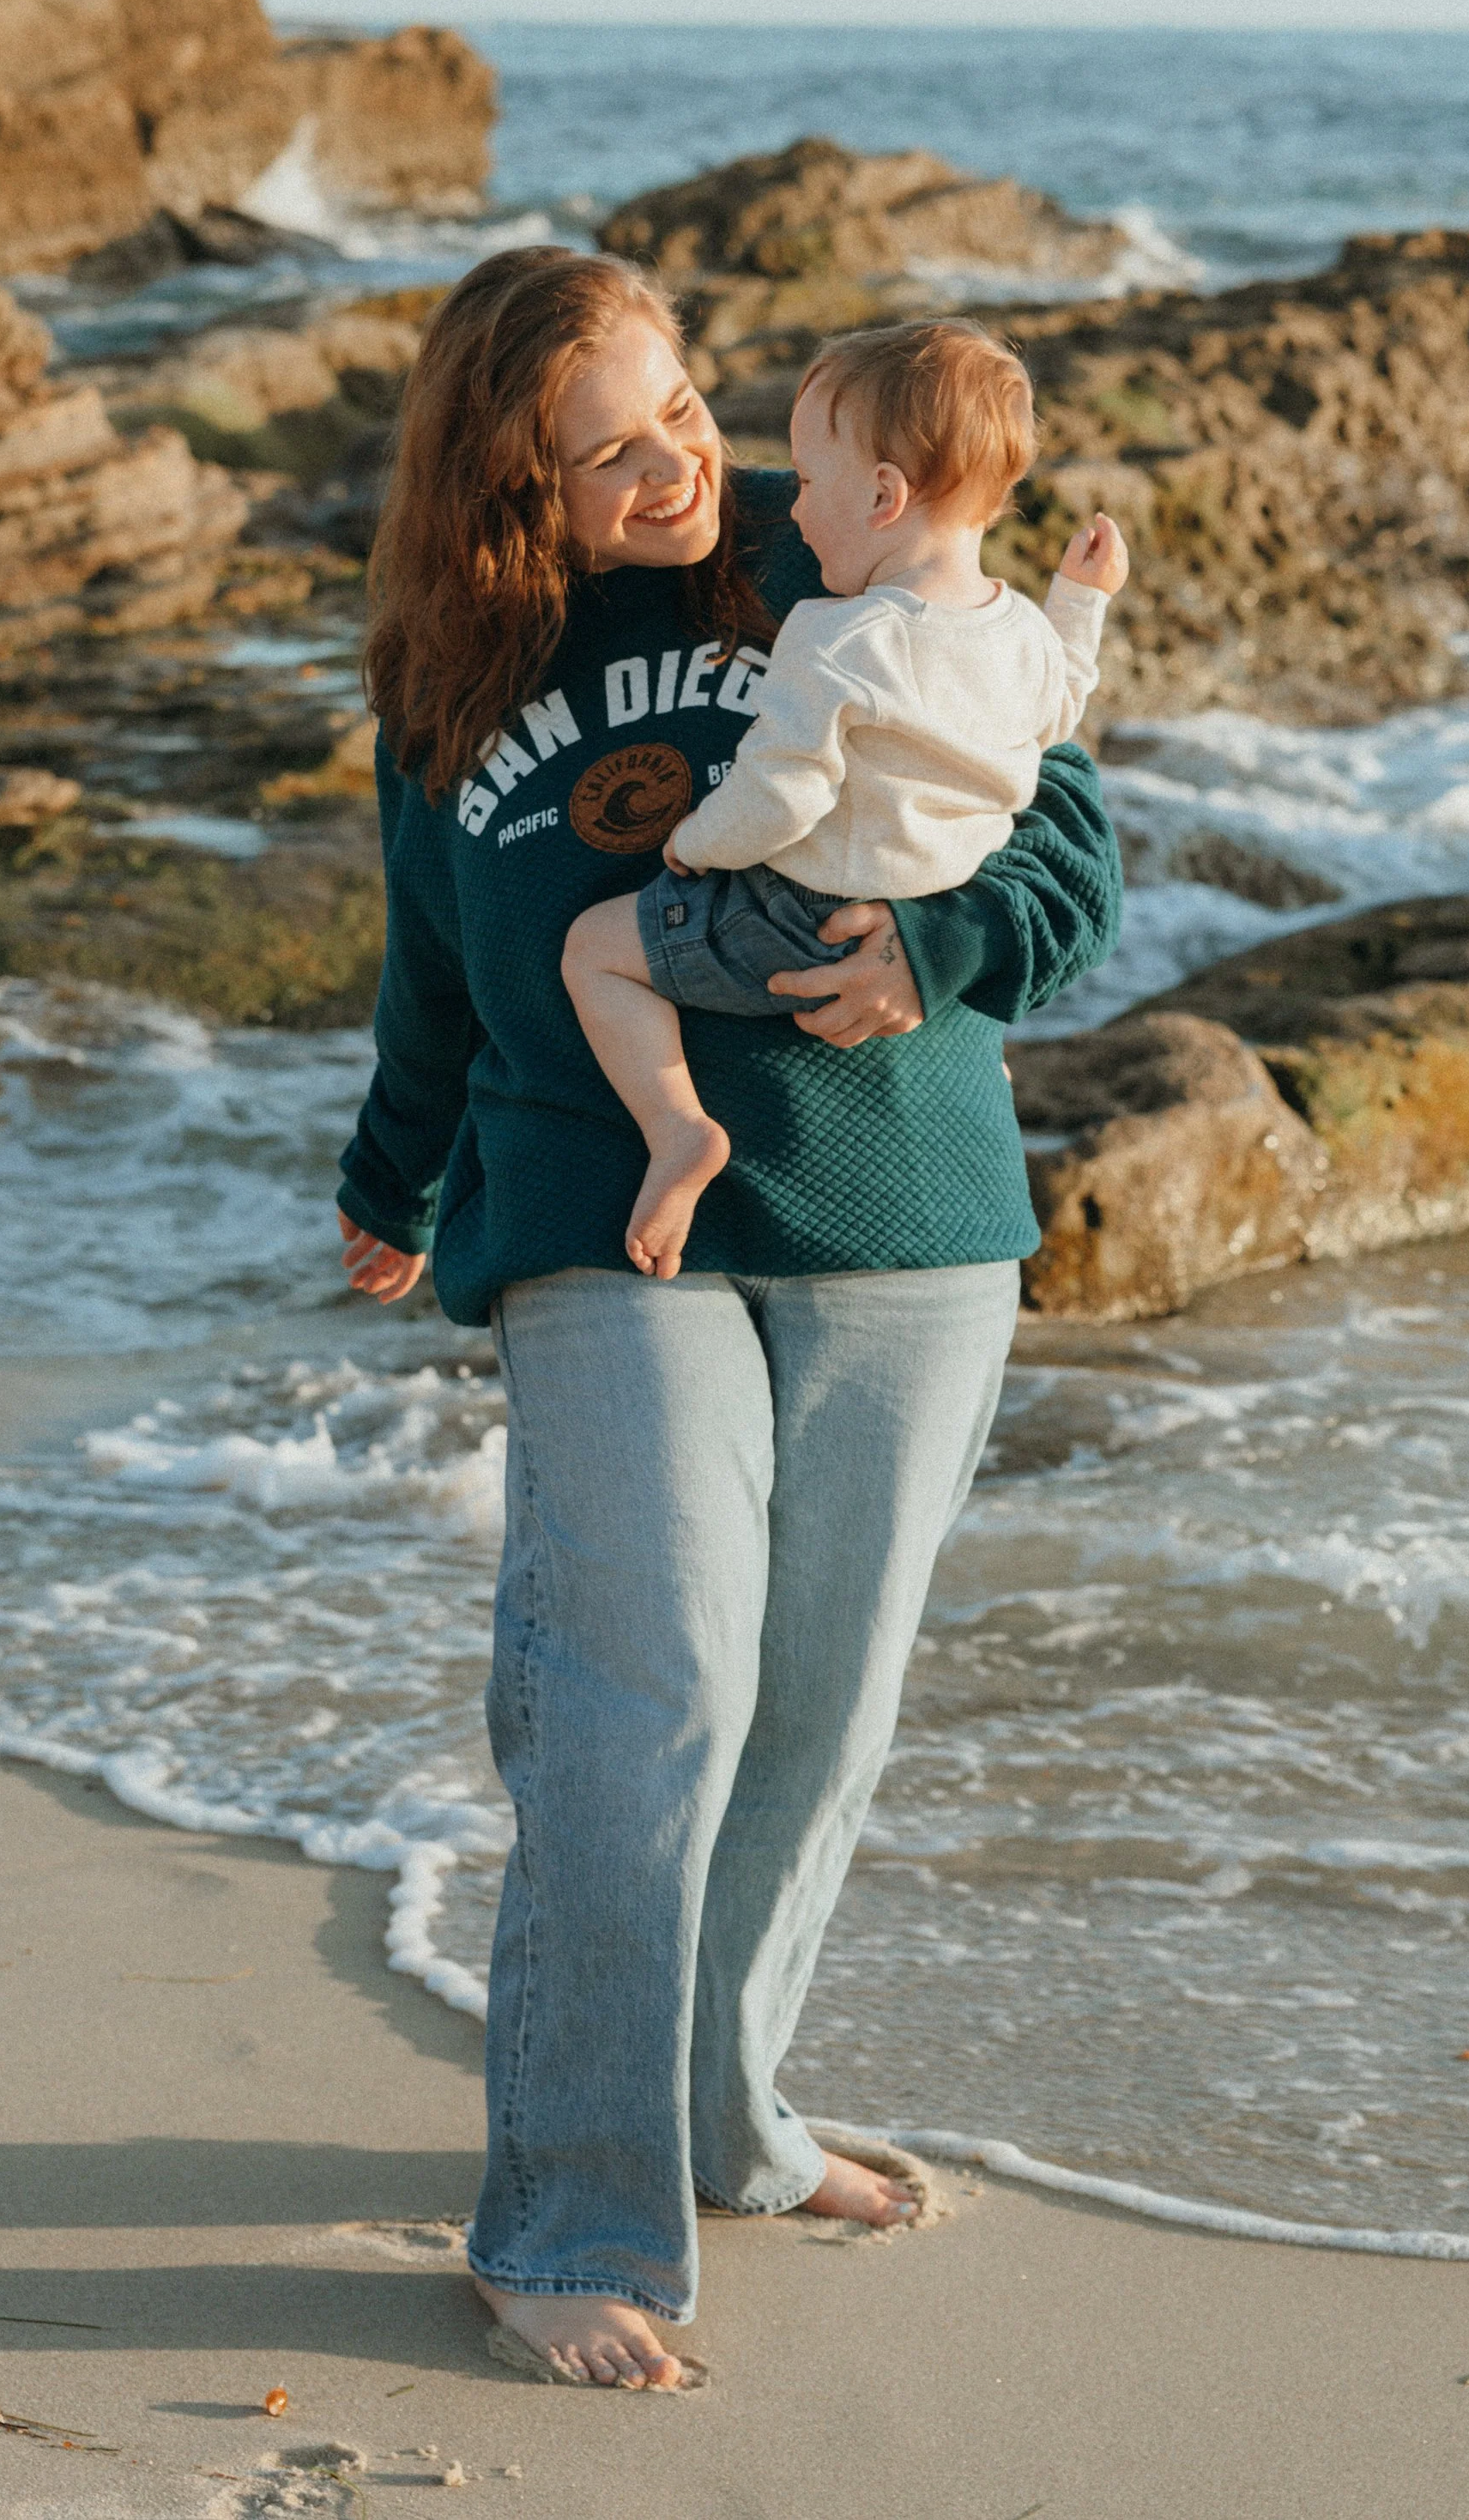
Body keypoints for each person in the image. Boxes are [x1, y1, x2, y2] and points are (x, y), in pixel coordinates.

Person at [336, 246, 1121, 2390]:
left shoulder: (834, 535)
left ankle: (723, 2121)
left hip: (911, 1206)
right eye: (607, 448)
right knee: (636, 1697)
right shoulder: (448, 665)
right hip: (606, 1214)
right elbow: (431, 960)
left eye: (683, 403)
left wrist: (939, 960)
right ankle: (571, 2216)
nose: (674, 460)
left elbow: (1067, 824)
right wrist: (388, 1181)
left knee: (820, 1705)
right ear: (508, 475)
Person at [559, 317, 1129, 1276]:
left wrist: (697, 844)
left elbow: (782, 795)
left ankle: (675, 1128)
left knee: (597, 954)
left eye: (811, 482)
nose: (794, 505)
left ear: (880, 494)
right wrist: (1082, 599)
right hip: (925, 905)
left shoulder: (837, 637)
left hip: (800, 916)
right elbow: (1060, 706)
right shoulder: (1021, 631)